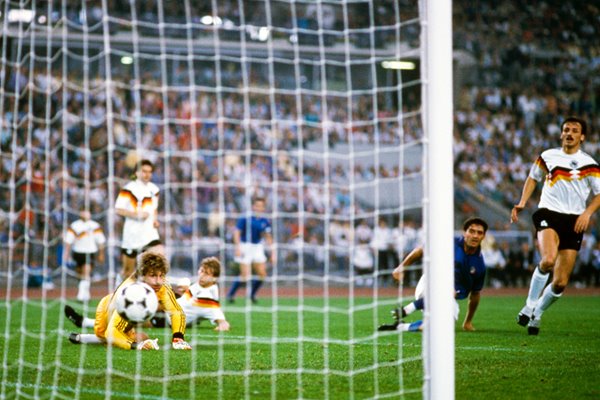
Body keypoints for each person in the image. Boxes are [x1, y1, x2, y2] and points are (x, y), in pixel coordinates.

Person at [511, 116, 600, 335]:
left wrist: (587, 213)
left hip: (574, 220)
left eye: (574, 130)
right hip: (548, 213)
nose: (569, 133)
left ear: (582, 136)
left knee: (560, 283)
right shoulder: (548, 156)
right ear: (561, 134)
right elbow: (533, 178)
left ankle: (537, 313)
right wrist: (523, 202)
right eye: (566, 129)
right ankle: (529, 305)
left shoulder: (590, 164)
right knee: (548, 259)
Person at [378, 217, 488, 332]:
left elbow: (475, 294)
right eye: (472, 231)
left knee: (443, 327)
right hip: (427, 286)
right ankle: (407, 309)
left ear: (483, 236)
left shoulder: (480, 266)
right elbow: (421, 251)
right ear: (464, 233)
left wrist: (468, 321)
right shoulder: (449, 243)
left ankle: (401, 326)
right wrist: (401, 267)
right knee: (445, 291)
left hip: (448, 299)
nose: (475, 236)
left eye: (479, 233)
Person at [65, 251, 192, 350]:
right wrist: (135, 346)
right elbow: (112, 332)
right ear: (142, 276)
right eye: (153, 275)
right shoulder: (129, 291)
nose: (158, 281)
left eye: (161, 275)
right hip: (106, 313)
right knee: (111, 337)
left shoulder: (163, 286)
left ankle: (83, 331)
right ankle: (85, 335)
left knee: (143, 337)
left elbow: (176, 312)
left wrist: (178, 338)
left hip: (132, 317)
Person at [66, 256, 231, 332]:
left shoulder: (208, 297)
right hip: (173, 308)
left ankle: (86, 323)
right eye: (201, 270)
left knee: (133, 315)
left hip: (167, 318)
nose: (202, 275)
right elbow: (190, 298)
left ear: (215, 278)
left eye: (207, 273)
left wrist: (222, 324)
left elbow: (218, 316)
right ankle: (91, 322)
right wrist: (182, 291)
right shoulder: (203, 287)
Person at [115, 159, 164, 284]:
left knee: (159, 259)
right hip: (132, 234)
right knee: (128, 273)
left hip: (149, 233)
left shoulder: (154, 189)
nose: (147, 174)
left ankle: (152, 296)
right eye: (144, 171)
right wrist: (136, 215)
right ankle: (120, 284)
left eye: (149, 172)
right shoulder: (128, 189)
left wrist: (155, 220)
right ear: (136, 173)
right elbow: (118, 209)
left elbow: (154, 208)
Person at [226, 196, 276, 304]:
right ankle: (230, 294)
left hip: (257, 247)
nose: (259, 208)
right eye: (257, 205)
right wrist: (237, 247)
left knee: (262, 274)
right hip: (245, 246)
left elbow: (268, 236)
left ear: (263, 208)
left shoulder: (265, 221)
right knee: (245, 276)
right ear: (253, 206)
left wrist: (273, 253)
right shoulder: (245, 218)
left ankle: (252, 294)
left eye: (261, 206)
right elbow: (237, 232)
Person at [63, 209, 106, 302]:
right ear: (80, 213)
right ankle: (85, 293)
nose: (86, 214)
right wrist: (66, 254)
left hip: (90, 252)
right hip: (78, 252)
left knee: (86, 272)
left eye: (87, 212)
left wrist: (101, 254)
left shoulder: (95, 226)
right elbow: (68, 241)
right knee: (80, 273)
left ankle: (81, 295)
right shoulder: (75, 226)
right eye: (83, 211)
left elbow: (101, 241)